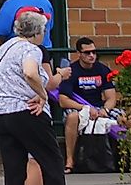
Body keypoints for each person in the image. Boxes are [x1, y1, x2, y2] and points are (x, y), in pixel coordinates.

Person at [0, 7, 80, 185]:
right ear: (38, 31)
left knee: (14, 169)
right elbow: (31, 73)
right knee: (52, 161)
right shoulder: (32, 49)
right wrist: (41, 95)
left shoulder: (4, 49)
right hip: (26, 111)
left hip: (0, 112)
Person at [50, 37, 121, 171]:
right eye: (87, 53)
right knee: (72, 118)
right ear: (79, 54)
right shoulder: (71, 71)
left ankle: (124, 160)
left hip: (100, 107)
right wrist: (86, 108)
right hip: (78, 106)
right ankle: (70, 161)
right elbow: (63, 100)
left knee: (124, 118)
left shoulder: (103, 69)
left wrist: (105, 110)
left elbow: (111, 97)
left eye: (94, 52)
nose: (91, 55)